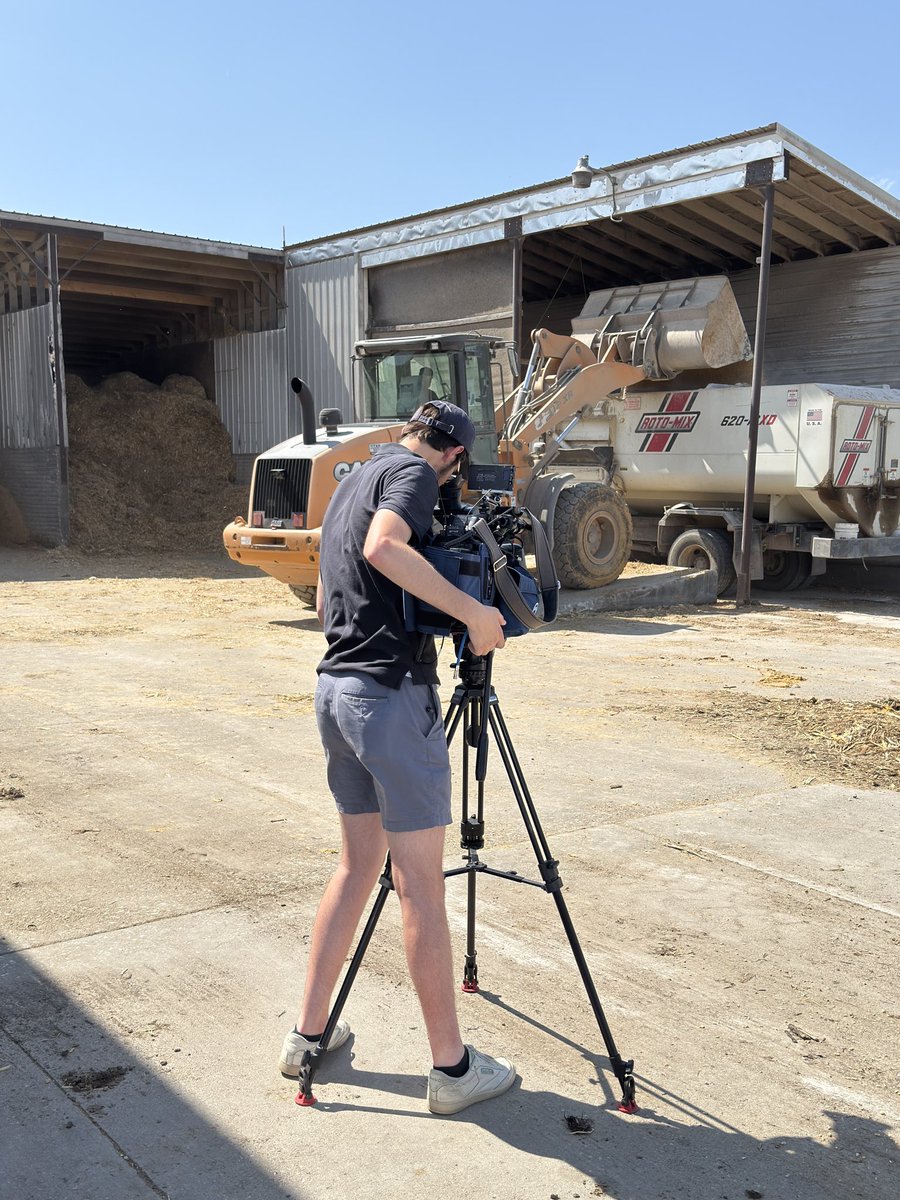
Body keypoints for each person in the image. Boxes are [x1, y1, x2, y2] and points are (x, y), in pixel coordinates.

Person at [279, 400, 516, 1115]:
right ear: (450, 456)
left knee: (356, 867)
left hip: (335, 689)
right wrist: (474, 614)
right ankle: (452, 1071)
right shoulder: (414, 476)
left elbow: (327, 593)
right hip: (388, 695)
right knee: (420, 886)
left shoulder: (356, 475)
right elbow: (386, 547)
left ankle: (306, 1036)